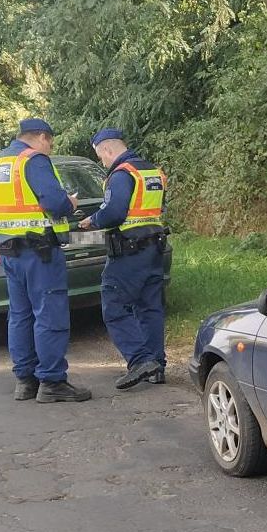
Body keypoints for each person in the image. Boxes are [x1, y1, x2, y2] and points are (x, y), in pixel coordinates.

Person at [0, 118, 92, 403]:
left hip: (9, 251)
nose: (50, 148)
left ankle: (25, 381)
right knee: (50, 314)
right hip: (39, 251)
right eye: (50, 142)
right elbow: (54, 203)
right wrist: (70, 203)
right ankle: (52, 381)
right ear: (41, 137)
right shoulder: (33, 160)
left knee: (19, 315)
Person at [79, 128, 170, 389]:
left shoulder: (121, 175)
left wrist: (92, 220)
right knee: (149, 307)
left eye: (101, 157)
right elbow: (158, 207)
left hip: (129, 252)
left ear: (107, 149)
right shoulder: (151, 171)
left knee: (113, 306)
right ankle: (156, 366)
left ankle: (140, 360)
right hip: (154, 248)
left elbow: (115, 213)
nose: (103, 162)